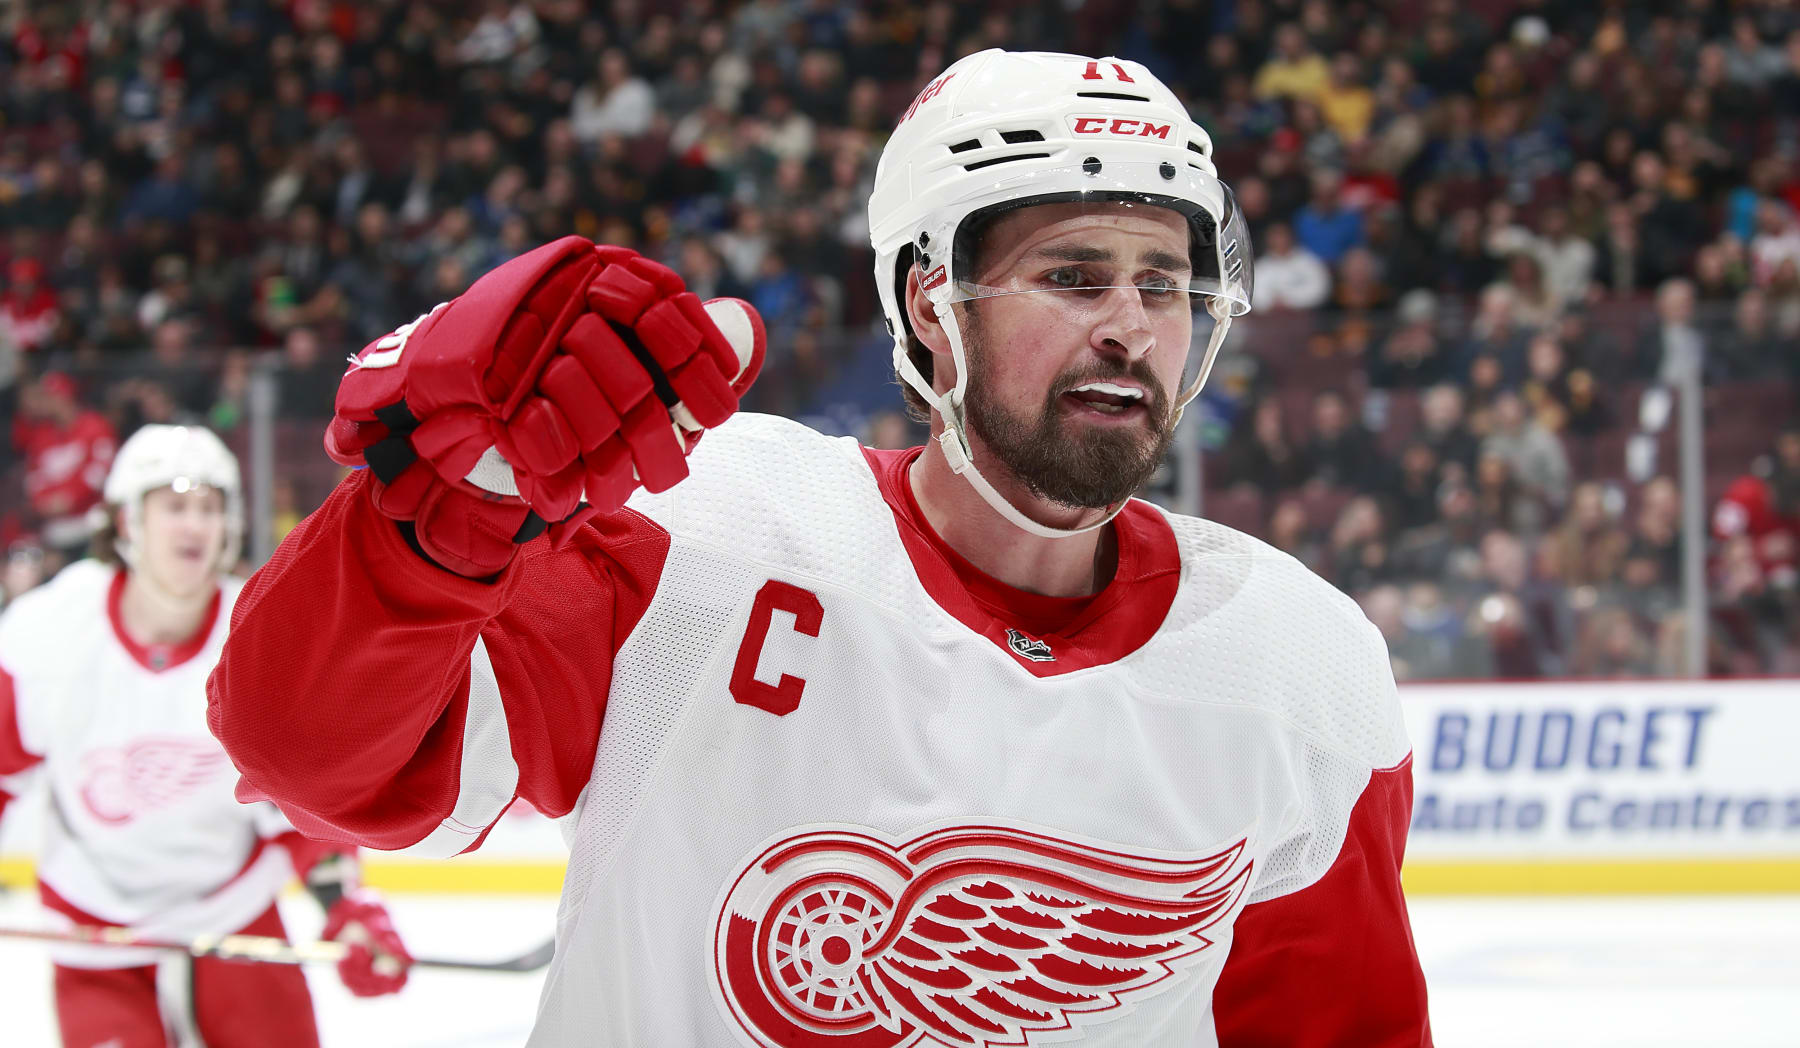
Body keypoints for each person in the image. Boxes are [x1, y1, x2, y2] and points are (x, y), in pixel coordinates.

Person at [211, 51, 1431, 1045]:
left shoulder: (1296, 663)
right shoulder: (701, 532)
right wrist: (441, 514)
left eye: (1164, 285)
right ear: (930, 303)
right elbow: (313, 761)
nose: (1131, 327)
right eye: (1074, 275)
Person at [0, 424, 411, 1048]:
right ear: (126, 522)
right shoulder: (47, 633)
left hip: (232, 908)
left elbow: (303, 802)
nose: (194, 525)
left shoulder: (263, 633)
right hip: (94, 926)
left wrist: (345, 908)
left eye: (210, 507)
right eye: (173, 505)